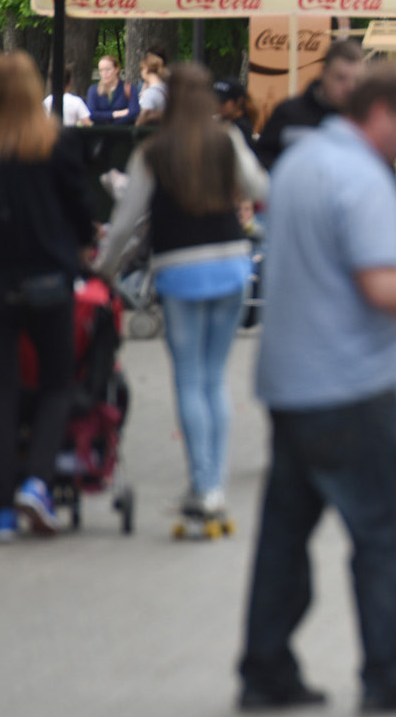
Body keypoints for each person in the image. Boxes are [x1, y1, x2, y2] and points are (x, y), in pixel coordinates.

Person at [239, 63, 396, 713]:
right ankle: (393, 673)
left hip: (290, 381)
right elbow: (380, 282)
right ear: (378, 113)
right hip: (351, 383)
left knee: (283, 537)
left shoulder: (299, 162)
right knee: (382, 534)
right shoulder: (362, 178)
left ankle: (265, 667)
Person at [98, 64, 269, 532]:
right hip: (232, 263)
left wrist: (104, 272)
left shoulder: (153, 152)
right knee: (216, 379)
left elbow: (126, 220)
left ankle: (203, 485)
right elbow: (259, 187)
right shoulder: (226, 141)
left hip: (179, 270)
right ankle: (214, 484)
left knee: (190, 379)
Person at [0, 52, 97, 539]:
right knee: (58, 383)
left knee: (0, 393)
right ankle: (37, 481)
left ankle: (1, 509)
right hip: (47, 276)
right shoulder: (56, 140)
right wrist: (83, 240)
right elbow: (79, 205)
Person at [256, 37, 365, 168]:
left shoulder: (365, 121)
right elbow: (261, 163)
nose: (350, 87)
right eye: (340, 78)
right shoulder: (288, 114)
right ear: (323, 73)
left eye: (357, 81)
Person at [86, 54, 135, 125]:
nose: (104, 73)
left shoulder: (129, 88)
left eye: (108, 69)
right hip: (99, 134)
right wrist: (114, 114)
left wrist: (105, 118)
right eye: (101, 70)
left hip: (123, 133)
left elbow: (133, 113)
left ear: (117, 69)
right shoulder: (93, 90)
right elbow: (92, 114)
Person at [134, 52, 168, 126]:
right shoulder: (167, 88)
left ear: (146, 69)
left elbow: (143, 117)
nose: (141, 73)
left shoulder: (150, 93)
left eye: (142, 69)